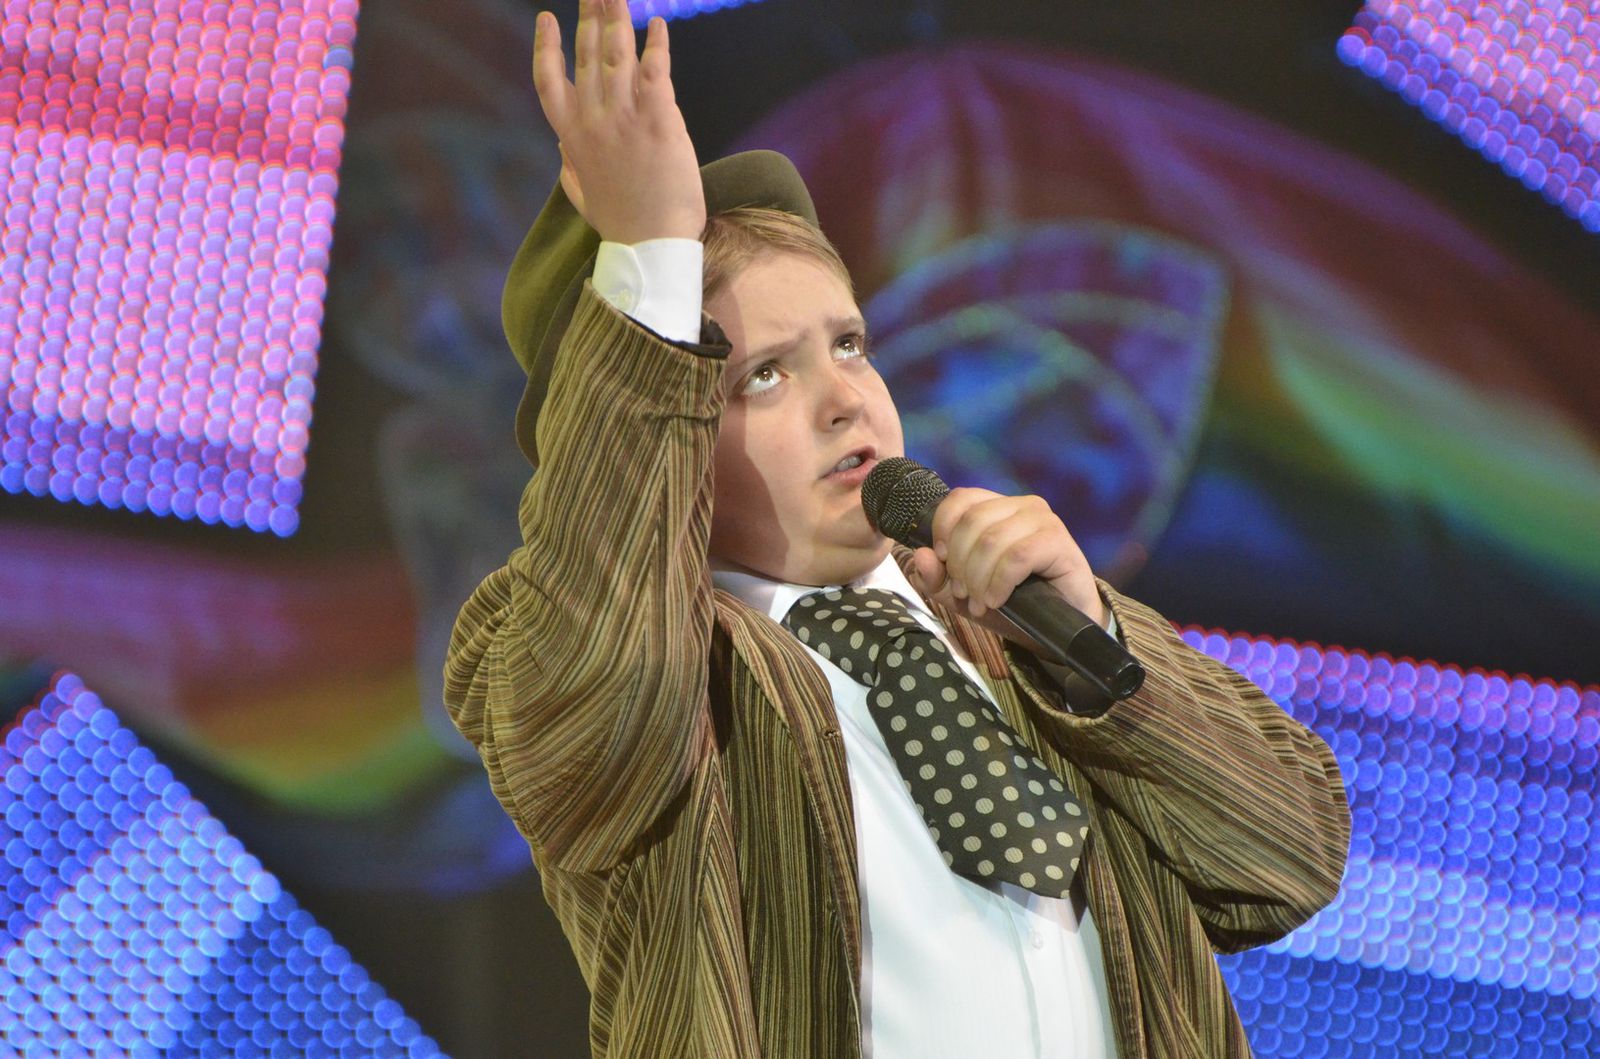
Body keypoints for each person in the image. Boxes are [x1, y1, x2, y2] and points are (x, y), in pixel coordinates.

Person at [444, 1, 1351, 1056]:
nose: (846, 400)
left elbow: (1285, 862)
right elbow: (601, 676)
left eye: (850, 344)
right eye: (763, 375)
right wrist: (649, 261)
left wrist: (1096, 642)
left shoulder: (1004, 623)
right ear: (665, 424)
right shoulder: (635, 676)